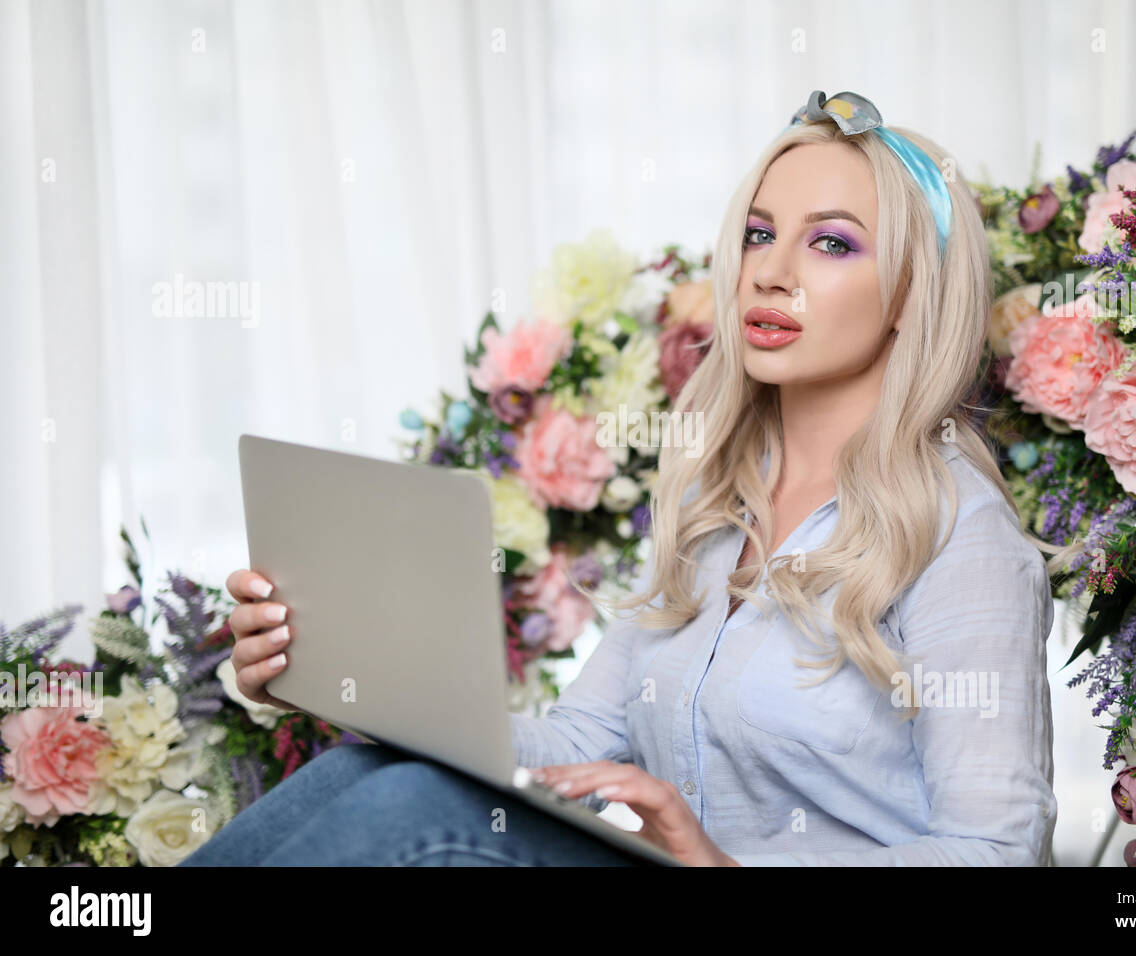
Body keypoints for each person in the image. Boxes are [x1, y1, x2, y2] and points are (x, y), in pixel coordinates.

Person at [181, 90, 1081, 867]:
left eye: (832, 245)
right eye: (760, 235)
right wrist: (336, 671)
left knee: (400, 813)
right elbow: (573, 744)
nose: (770, 273)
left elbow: (996, 851)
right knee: (364, 771)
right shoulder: (715, 497)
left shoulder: (960, 535)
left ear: (916, 293)